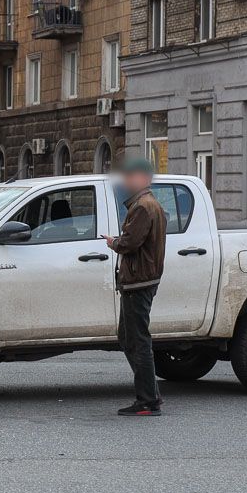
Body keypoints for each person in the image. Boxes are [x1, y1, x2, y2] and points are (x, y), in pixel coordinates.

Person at [102, 158, 168, 416]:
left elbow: (130, 243)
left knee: (137, 340)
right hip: (140, 280)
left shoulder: (143, 207)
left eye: (134, 177)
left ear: (146, 180)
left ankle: (148, 400)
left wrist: (113, 242)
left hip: (138, 280)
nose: (128, 181)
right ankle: (150, 395)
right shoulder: (147, 205)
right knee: (128, 337)